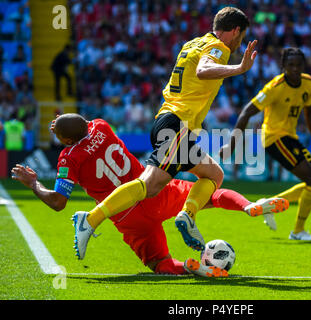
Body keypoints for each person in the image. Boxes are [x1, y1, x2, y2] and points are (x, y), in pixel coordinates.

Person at [75, 7, 265, 258]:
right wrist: (239, 68)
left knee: (213, 174)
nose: (240, 42)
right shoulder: (220, 48)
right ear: (236, 30)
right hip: (176, 124)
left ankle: (187, 215)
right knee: (150, 185)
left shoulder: (194, 43)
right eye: (241, 36)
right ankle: (90, 219)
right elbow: (203, 71)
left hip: (172, 122)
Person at [11, 114, 288, 277]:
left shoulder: (68, 157)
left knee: (158, 262)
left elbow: (59, 202)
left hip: (125, 213)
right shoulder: (101, 126)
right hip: (154, 189)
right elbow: (80, 128)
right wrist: (66, 127)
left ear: (67, 141)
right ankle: (248, 205)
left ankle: (193, 268)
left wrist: (35, 184)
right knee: (211, 191)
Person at [220, 47, 311, 241]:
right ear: (283, 67)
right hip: (273, 139)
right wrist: (231, 145)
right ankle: (297, 231)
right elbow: (246, 113)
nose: (295, 69)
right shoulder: (274, 87)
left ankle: (268, 204)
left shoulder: (308, 83)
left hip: (291, 137)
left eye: (298, 65)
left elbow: (310, 114)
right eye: (290, 65)